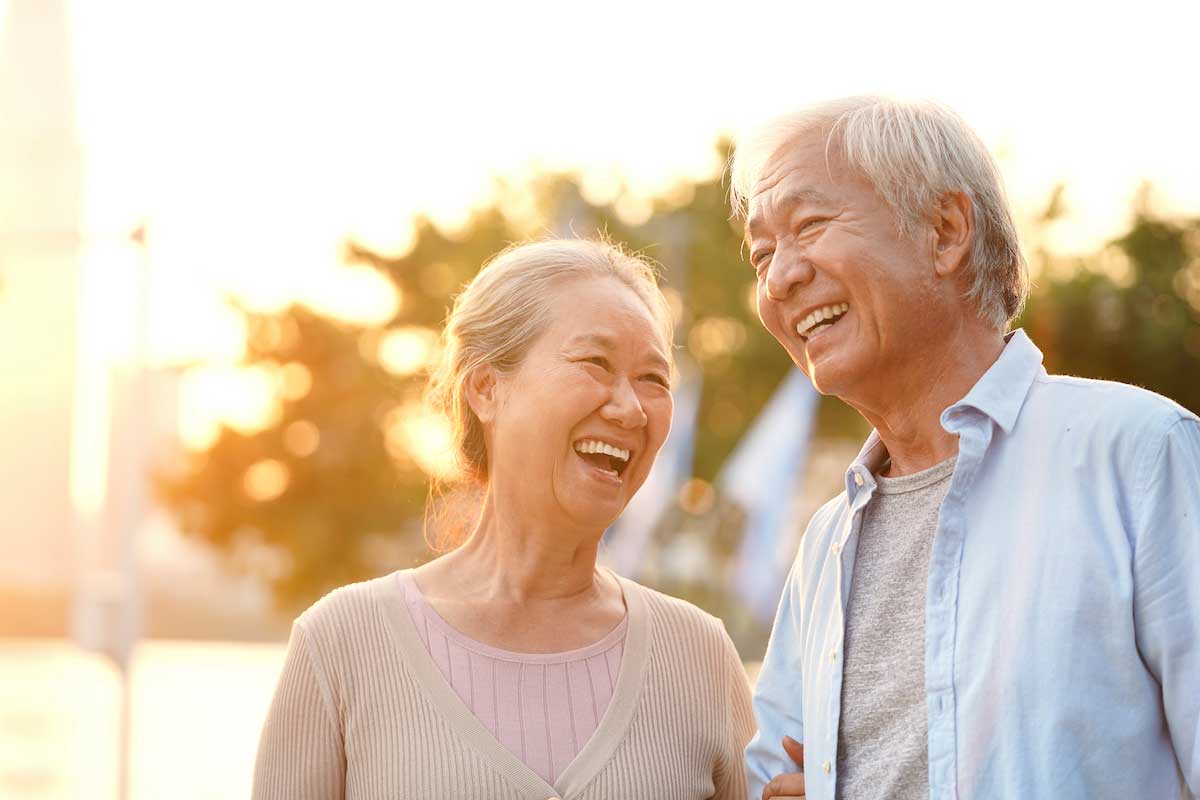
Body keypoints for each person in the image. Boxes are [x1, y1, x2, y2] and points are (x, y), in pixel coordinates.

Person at [731, 96, 1200, 799]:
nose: (779, 277)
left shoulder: (1140, 455)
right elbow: (773, 775)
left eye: (810, 225)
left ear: (944, 232)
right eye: (762, 254)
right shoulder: (826, 541)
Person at [251, 238, 755, 799]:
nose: (631, 408)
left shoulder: (699, 655)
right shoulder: (342, 645)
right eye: (595, 362)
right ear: (487, 388)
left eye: (654, 380)